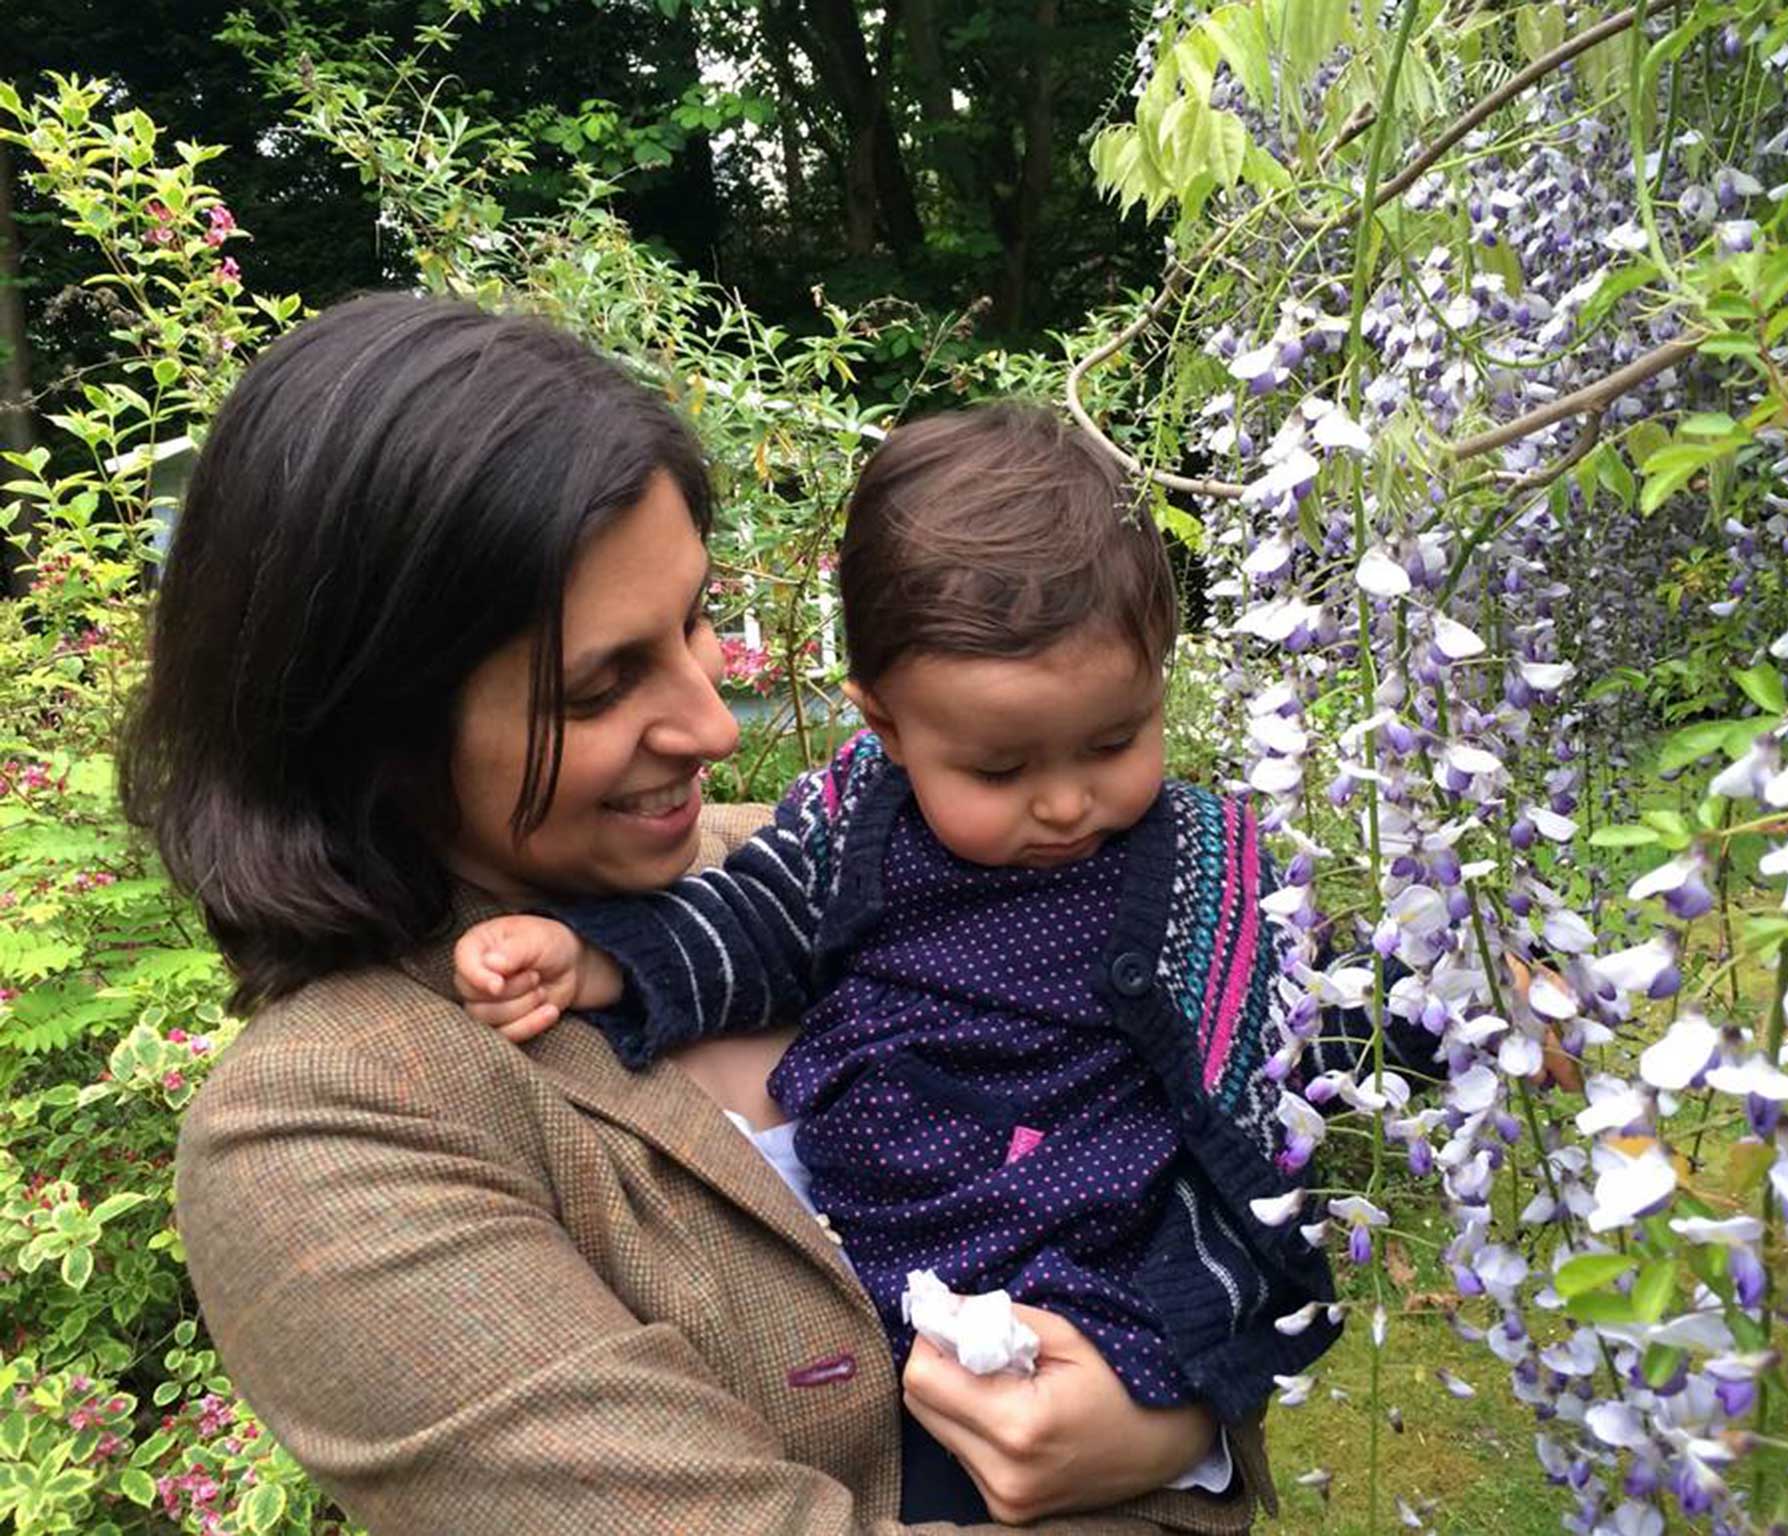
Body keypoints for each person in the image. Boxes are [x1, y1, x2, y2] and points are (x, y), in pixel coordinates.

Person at [128, 294, 1275, 1534]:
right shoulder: (330, 1126)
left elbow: (1215, 1143)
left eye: (692, 622)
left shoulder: (834, 863)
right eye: (605, 681)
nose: (715, 728)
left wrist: (1184, 1419)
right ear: (374, 730)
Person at [450, 405, 1343, 1514]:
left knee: (1059, 1438)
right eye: (998, 766)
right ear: (884, 725)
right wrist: (600, 959)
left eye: (1114, 741)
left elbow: (1313, 1003)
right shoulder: (850, 826)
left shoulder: (1204, 861)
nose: (1066, 801)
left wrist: (1467, 1012)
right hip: (886, 1247)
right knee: (910, 1449)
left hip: (1095, 1251)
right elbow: (748, 925)